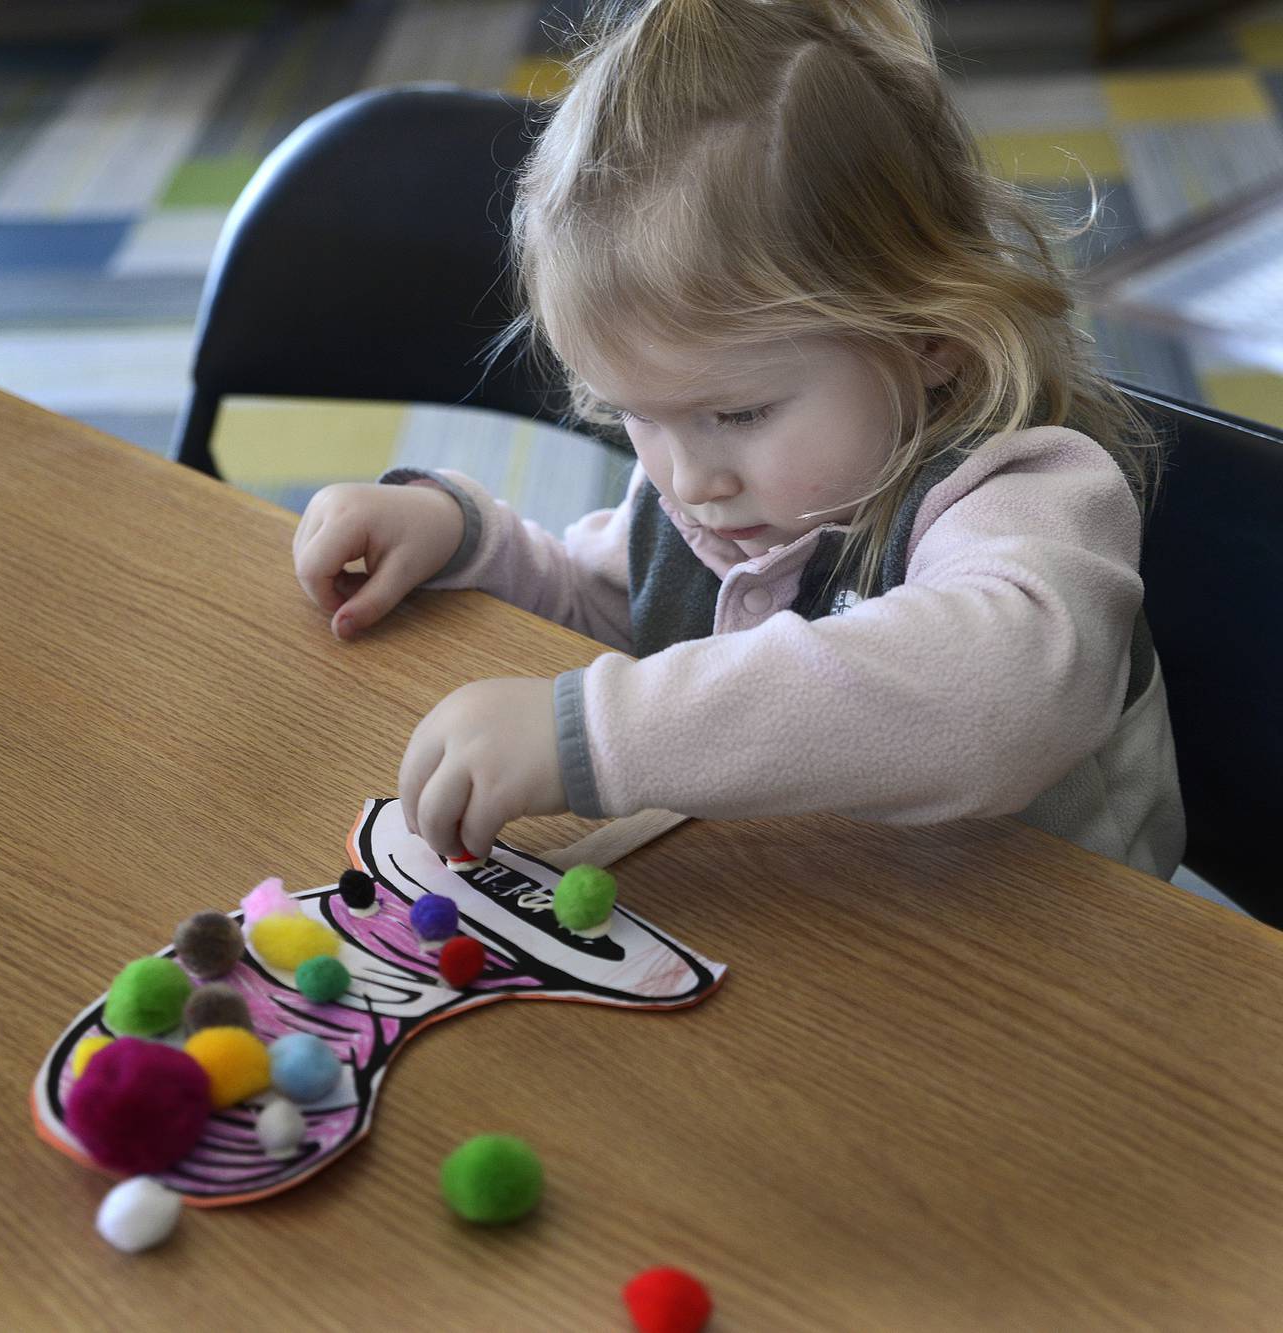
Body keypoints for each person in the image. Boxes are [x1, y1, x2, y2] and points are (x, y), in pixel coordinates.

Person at [293, 0, 1185, 880]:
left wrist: (597, 736)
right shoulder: (713, 490)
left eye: (741, 414)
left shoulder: (1031, 492)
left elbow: (1001, 700)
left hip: (1058, 985)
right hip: (824, 931)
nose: (688, 478)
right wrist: (460, 536)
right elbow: (610, 606)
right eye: (638, 414)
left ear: (927, 337)